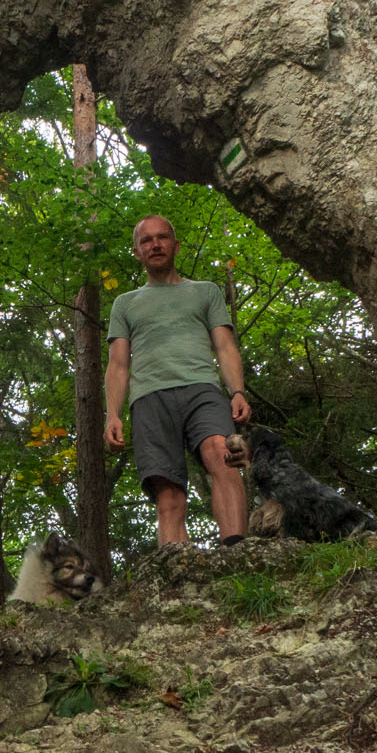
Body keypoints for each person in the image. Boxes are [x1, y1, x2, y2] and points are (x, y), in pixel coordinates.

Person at [104, 214, 252, 546]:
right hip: (149, 398)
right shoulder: (125, 303)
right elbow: (117, 365)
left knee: (222, 455)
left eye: (162, 237)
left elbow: (225, 346)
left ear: (176, 245)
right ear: (137, 252)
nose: (155, 244)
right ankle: (177, 581)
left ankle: (237, 555)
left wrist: (238, 391)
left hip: (203, 389)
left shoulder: (206, 292)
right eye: (146, 240)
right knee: (168, 494)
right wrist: (112, 414)